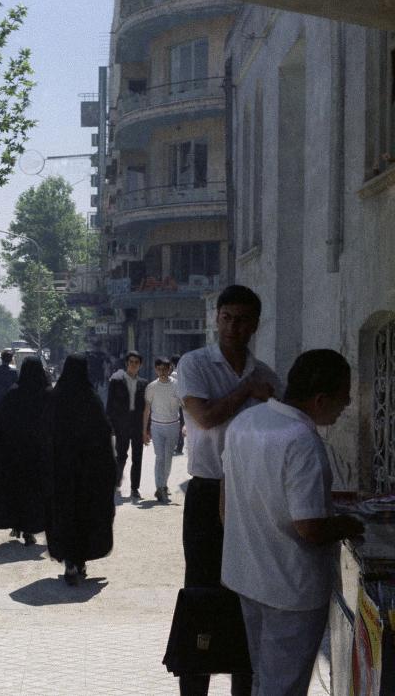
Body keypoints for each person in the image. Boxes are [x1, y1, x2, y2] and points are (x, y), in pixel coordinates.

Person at [221, 349, 363, 696]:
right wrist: (349, 523)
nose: (346, 403)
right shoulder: (302, 440)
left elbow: (225, 505)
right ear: (320, 399)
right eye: (343, 396)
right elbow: (310, 527)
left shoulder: (246, 422)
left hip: (248, 576)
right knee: (281, 688)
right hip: (291, 588)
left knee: (263, 680)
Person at [174, 285, 280, 696]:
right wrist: (246, 391)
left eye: (243, 319)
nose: (235, 327)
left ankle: (244, 685)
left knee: (248, 595)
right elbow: (204, 418)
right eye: (228, 318)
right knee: (202, 591)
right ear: (216, 319)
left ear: (256, 324)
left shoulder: (268, 376)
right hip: (207, 491)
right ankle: (194, 684)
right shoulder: (195, 364)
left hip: (253, 497)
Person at [43, 354, 118, 585]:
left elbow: (44, 434)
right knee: (85, 515)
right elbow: (105, 436)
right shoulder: (91, 399)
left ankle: (70, 560)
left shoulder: (53, 398)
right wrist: (109, 470)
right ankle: (81, 559)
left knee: (64, 514)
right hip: (88, 475)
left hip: (60, 473)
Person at [0, 357, 49, 545]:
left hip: (14, 454)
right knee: (35, 492)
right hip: (38, 454)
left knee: (17, 489)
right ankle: (30, 528)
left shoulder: (12, 394)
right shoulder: (46, 395)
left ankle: (17, 523)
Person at [106, 351, 148, 501]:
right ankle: (116, 482)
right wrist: (109, 425)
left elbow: (147, 408)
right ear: (126, 364)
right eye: (131, 362)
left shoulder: (144, 383)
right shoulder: (117, 381)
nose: (133, 365)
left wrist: (146, 429)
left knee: (138, 457)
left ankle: (134, 488)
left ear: (140, 365)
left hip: (137, 424)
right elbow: (109, 404)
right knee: (121, 455)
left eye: (136, 362)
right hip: (122, 424)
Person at [143, 357, 182, 503]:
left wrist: (188, 426)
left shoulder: (177, 386)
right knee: (160, 457)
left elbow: (185, 406)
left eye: (165, 369)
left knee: (168, 457)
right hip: (157, 426)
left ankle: (164, 484)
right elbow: (146, 410)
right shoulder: (151, 387)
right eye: (159, 369)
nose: (162, 372)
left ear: (170, 369)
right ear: (155, 370)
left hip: (173, 425)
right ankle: (159, 487)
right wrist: (144, 431)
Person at [171, 354, 185, 455]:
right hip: (185, 402)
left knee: (178, 425)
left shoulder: (174, 374)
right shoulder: (184, 372)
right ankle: (180, 446)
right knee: (182, 424)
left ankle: (179, 447)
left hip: (177, 403)